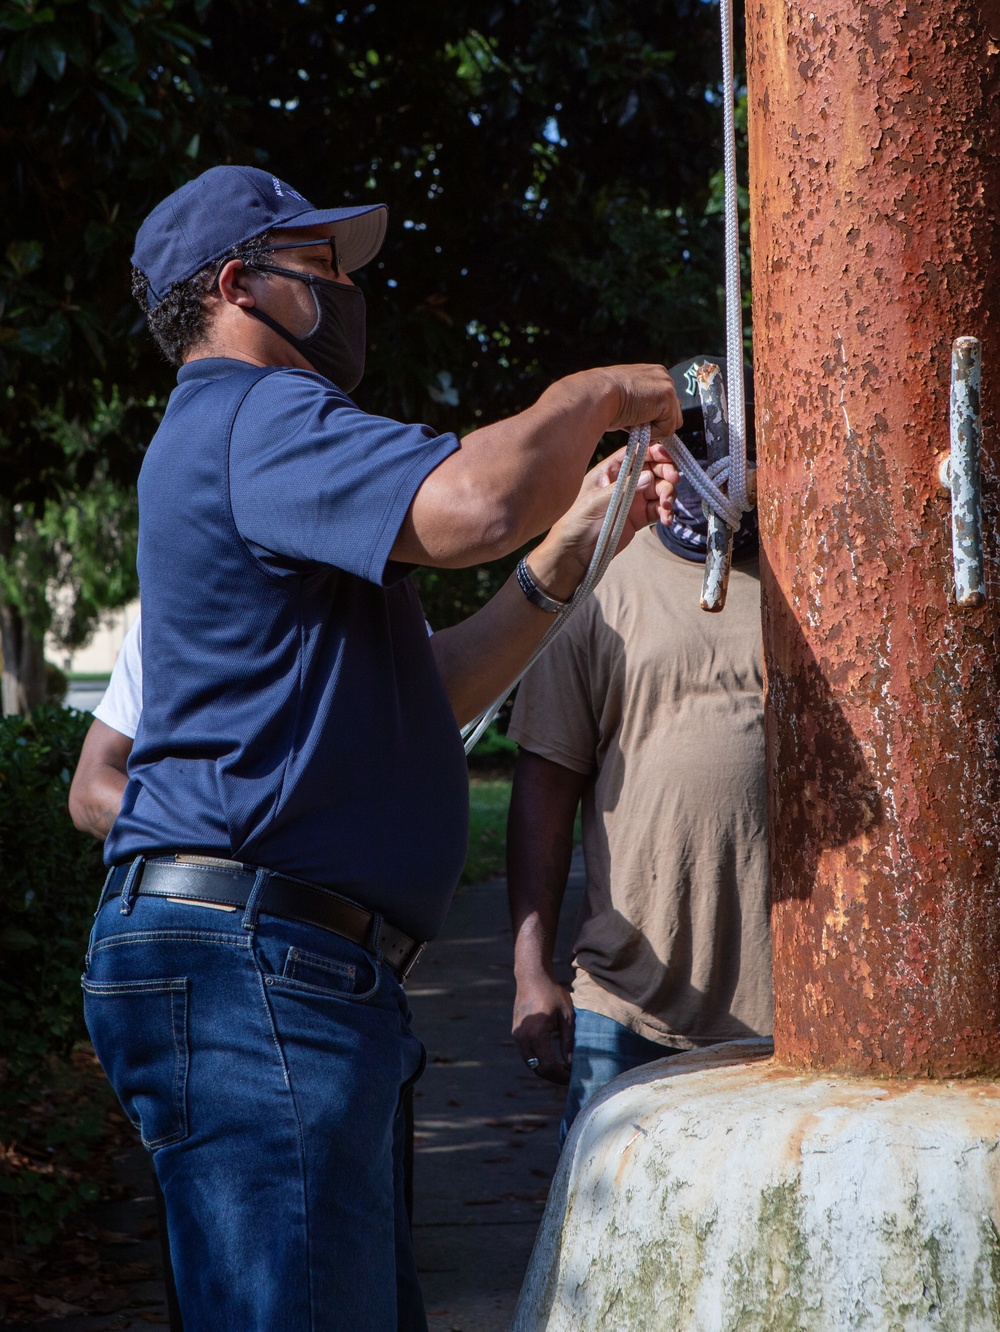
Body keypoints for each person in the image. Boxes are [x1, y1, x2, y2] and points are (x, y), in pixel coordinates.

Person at [80, 164, 681, 1332]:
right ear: (238, 286)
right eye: (324, 269)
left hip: (272, 970)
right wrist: (601, 388)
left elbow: (438, 682)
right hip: (257, 967)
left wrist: (570, 555)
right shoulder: (255, 415)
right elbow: (474, 506)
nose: (349, 292)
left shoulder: (250, 454)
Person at [506, 356, 772, 1144]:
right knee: (602, 1237)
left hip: (796, 1018)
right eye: (692, 438)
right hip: (627, 1012)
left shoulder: (822, 586)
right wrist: (529, 973)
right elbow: (545, 789)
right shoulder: (598, 585)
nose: (718, 455)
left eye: (741, 438)